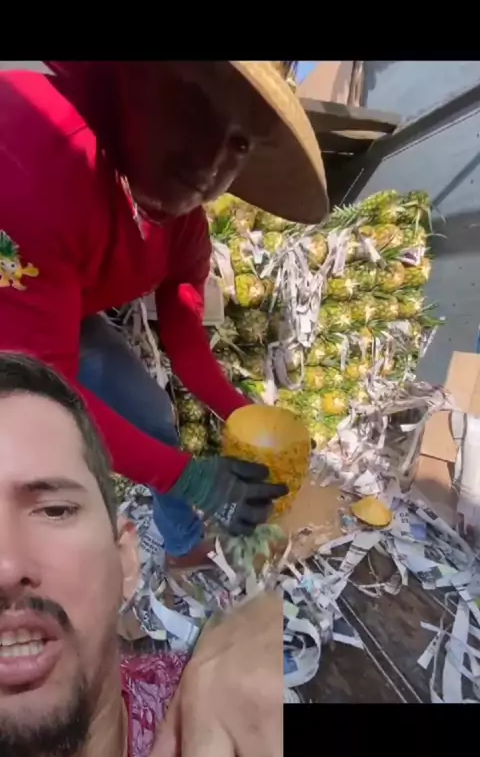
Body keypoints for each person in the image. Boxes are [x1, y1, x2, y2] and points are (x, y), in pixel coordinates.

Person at [0, 60, 328, 568]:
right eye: (196, 107)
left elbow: (183, 329)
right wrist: (191, 478)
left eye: (240, 142)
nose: (212, 162)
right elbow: (41, 396)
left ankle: (180, 544)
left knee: (152, 417)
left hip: (47, 305)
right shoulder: (33, 153)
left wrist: (242, 414)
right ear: (135, 78)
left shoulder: (181, 224)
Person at [0, 351, 283, 757]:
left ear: (125, 560)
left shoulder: (218, 709)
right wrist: (185, 477)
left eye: (54, 510)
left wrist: (266, 623)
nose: (6, 566)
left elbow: (184, 335)